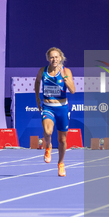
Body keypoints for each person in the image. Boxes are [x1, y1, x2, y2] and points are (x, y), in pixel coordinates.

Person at [34, 47, 75, 177]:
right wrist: (37, 98)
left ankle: (61, 163)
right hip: (48, 107)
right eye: (52, 57)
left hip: (62, 107)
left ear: (60, 58)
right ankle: (48, 146)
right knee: (47, 131)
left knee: (62, 139)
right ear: (48, 58)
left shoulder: (66, 71)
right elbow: (37, 82)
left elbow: (73, 90)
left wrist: (65, 78)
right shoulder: (43, 71)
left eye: (56, 57)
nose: (54, 59)